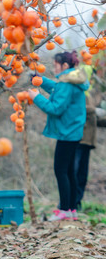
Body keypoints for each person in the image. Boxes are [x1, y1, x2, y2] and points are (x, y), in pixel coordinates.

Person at [28, 51, 89, 221]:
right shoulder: (71, 79)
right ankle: (71, 209)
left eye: (55, 65)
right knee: (69, 171)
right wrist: (39, 80)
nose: (53, 68)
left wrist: (36, 97)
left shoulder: (67, 83)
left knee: (60, 170)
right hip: (73, 131)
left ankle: (64, 209)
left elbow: (56, 108)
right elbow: (56, 88)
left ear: (64, 66)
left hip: (67, 133)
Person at [74, 65, 99, 210]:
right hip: (78, 138)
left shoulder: (90, 94)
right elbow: (81, 109)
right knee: (74, 171)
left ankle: (77, 201)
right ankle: (69, 202)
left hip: (88, 140)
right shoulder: (78, 91)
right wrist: (96, 110)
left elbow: (95, 118)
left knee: (82, 174)